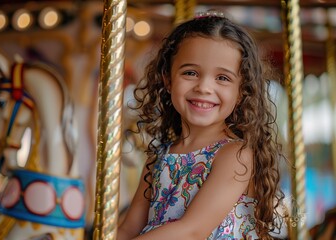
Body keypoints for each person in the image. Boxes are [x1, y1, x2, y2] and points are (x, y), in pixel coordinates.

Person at [117, 10, 287, 240]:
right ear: (167, 79)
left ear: (241, 92)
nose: (204, 87)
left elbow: (192, 230)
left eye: (223, 78)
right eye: (191, 73)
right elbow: (129, 228)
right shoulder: (159, 156)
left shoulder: (235, 155)